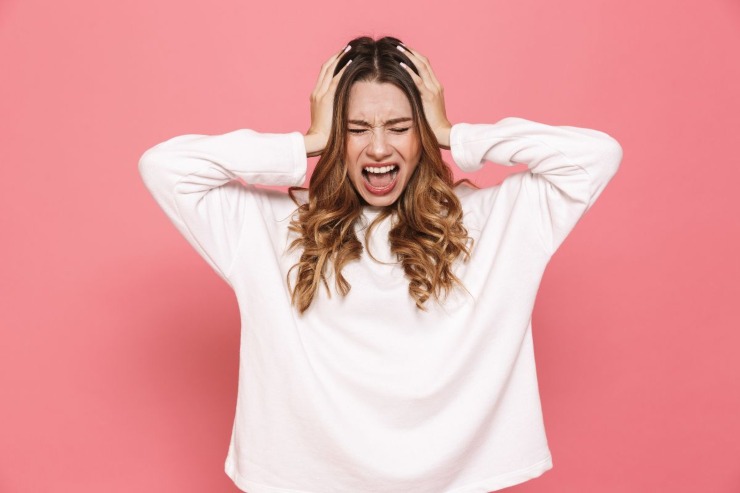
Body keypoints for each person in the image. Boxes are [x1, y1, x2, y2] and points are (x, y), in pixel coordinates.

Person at [138, 35, 622, 493]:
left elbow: (596, 156)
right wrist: (306, 141)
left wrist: (455, 134)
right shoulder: (273, 226)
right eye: (355, 129)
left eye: (399, 126)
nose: (377, 147)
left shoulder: (489, 221)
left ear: (423, 133)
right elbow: (164, 167)